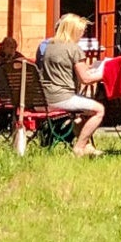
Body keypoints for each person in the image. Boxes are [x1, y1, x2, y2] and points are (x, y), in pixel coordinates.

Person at [39, 14, 105, 157]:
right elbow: (86, 79)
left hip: (45, 97)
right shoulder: (74, 49)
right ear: (73, 31)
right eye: (80, 31)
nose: (82, 35)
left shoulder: (49, 47)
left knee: (79, 115)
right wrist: (104, 73)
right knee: (99, 110)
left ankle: (88, 147)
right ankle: (79, 147)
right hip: (62, 97)